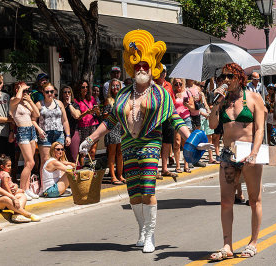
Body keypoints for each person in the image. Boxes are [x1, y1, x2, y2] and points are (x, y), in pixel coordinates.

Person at [79, 30, 193, 253]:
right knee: (134, 193)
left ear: (152, 68)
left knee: (148, 190)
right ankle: (142, 230)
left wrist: (193, 141)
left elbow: (175, 119)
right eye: (137, 65)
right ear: (132, 68)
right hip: (129, 146)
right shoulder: (122, 94)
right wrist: (90, 139)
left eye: (145, 65)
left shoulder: (161, 93)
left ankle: (150, 235)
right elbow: (110, 121)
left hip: (150, 145)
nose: (141, 69)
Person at [208, 63, 267, 261]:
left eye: (229, 76)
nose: (225, 79)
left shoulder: (253, 98)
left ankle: (253, 242)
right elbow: (213, 125)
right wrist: (216, 103)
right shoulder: (223, 101)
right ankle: (227, 245)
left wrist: (255, 152)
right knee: (226, 201)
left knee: (254, 199)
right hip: (228, 155)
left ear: (239, 77)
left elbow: (259, 129)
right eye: (223, 76)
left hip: (249, 152)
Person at [0, 150, 40, 223]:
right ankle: (28, 214)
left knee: (22, 196)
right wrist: (12, 197)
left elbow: (6, 182)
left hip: (0, 197)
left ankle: (17, 215)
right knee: (6, 199)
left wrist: (15, 186)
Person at [33, 82, 71, 183]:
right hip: (45, 135)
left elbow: (65, 120)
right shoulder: (39, 104)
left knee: (60, 159)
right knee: (45, 160)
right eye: (47, 92)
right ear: (43, 92)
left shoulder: (59, 103)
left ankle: (60, 183)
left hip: (59, 134)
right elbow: (33, 120)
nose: (50, 93)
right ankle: (44, 185)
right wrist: (39, 129)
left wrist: (68, 135)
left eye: (52, 91)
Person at [9, 82, 40, 200]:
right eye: (22, 89)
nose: (24, 92)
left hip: (31, 130)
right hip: (22, 131)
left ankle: (27, 189)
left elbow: (36, 113)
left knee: (29, 163)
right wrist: (21, 88)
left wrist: (30, 100)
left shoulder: (26, 101)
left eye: (26, 90)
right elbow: (17, 97)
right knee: (30, 162)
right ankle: (22, 190)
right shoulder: (13, 101)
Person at [154, 65, 177, 180]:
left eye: (164, 71)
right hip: (157, 118)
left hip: (168, 117)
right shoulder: (153, 85)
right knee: (157, 143)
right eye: (161, 71)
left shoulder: (168, 85)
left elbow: (172, 101)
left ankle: (164, 169)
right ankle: (155, 170)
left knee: (167, 143)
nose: (163, 73)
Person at [103, 79, 125, 185]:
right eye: (113, 86)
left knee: (120, 153)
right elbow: (104, 115)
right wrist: (112, 113)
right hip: (112, 128)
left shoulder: (122, 99)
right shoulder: (108, 100)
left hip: (121, 127)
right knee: (112, 153)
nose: (115, 88)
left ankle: (120, 175)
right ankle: (113, 176)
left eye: (117, 86)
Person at [75, 80, 100, 166]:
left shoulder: (92, 99)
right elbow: (77, 117)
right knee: (83, 151)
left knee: (93, 151)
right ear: (79, 89)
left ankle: (91, 170)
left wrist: (96, 111)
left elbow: (98, 114)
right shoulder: (76, 101)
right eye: (83, 87)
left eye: (86, 87)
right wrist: (86, 112)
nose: (85, 89)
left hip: (93, 125)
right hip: (83, 127)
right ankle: (84, 171)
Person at [171, 78, 192, 173]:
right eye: (176, 84)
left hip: (186, 118)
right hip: (176, 119)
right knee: (177, 143)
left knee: (186, 142)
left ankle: (186, 165)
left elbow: (193, 107)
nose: (178, 85)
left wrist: (187, 105)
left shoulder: (186, 92)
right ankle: (178, 165)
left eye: (180, 83)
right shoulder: (171, 93)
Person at [60, 85, 81, 163]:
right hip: (61, 133)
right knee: (64, 158)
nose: (67, 94)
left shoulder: (74, 105)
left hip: (73, 133)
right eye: (65, 92)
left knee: (74, 157)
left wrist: (69, 104)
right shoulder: (59, 105)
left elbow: (76, 116)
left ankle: (78, 173)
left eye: (69, 92)